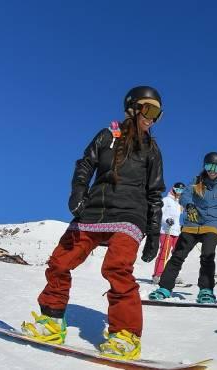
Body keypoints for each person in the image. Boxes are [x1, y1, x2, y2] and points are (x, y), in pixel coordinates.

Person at [21, 86, 165, 360]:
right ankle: (51, 320)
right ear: (132, 108)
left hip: (130, 213)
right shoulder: (107, 136)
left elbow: (155, 193)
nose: (153, 118)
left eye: (158, 113)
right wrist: (78, 192)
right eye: (149, 110)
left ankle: (125, 335)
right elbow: (85, 165)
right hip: (94, 210)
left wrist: (154, 233)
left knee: (117, 268)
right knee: (60, 262)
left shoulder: (152, 150)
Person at [148, 152, 217, 303]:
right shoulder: (196, 181)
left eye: (215, 167)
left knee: (207, 257)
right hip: (192, 224)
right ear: (204, 166)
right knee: (178, 256)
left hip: (212, 225)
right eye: (208, 166)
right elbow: (185, 196)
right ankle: (164, 288)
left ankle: (206, 290)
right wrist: (190, 205)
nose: (212, 170)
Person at [151, 182, 185, 284]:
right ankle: (158, 274)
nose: (179, 192)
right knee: (164, 252)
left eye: (181, 190)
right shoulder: (166, 200)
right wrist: (166, 220)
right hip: (166, 230)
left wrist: (182, 226)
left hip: (176, 232)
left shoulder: (179, 204)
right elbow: (159, 213)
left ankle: (173, 274)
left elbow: (178, 218)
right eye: (178, 189)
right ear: (173, 189)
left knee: (177, 254)